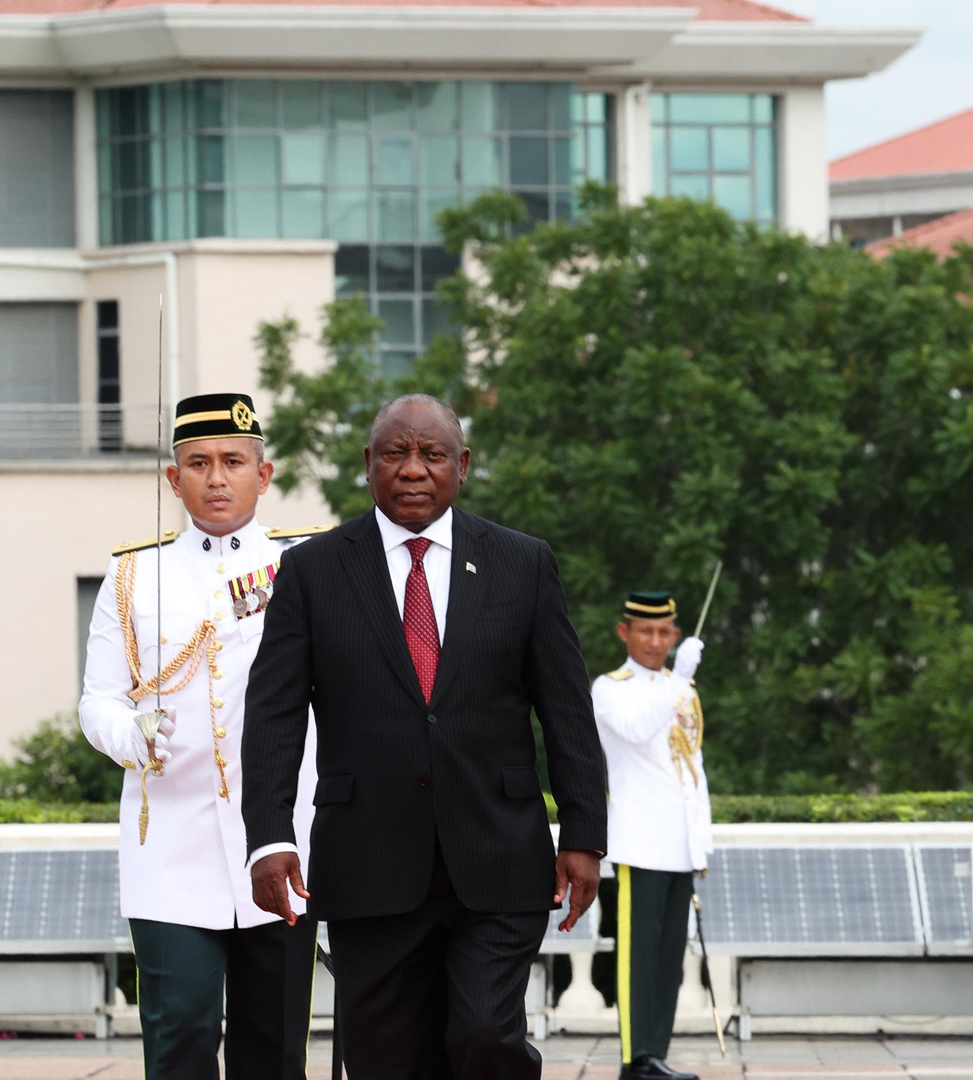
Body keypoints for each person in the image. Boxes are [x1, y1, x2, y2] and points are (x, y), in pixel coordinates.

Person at [241, 394, 607, 1080]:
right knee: (385, 1060)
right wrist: (269, 836)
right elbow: (273, 715)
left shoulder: (522, 563)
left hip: (498, 855)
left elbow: (567, 711)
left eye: (432, 454)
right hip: (367, 861)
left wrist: (584, 834)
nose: (413, 469)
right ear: (368, 463)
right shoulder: (313, 571)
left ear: (461, 466)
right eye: (395, 453)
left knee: (485, 1034)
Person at [78, 392, 323, 1080]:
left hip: (281, 839)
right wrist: (133, 735)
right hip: (170, 844)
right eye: (199, 463)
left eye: (233, 462)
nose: (217, 478)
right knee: (180, 1029)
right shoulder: (134, 574)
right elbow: (98, 700)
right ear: (173, 477)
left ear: (263, 474)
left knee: (273, 1045)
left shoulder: (306, 563)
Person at [591, 589, 712, 1080]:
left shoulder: (679, 688)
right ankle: (634, 1057)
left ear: (675, 635)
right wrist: (679, 679)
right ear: (625, 632)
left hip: (679, 846)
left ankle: (655, 1055)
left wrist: (700, 843)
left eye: (664, 632)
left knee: (668, 961)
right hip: (640, 843)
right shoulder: (610, 688)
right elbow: (637, 730)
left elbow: (692, 769)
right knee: (637, 957)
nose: (655, 641)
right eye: (646, 630)